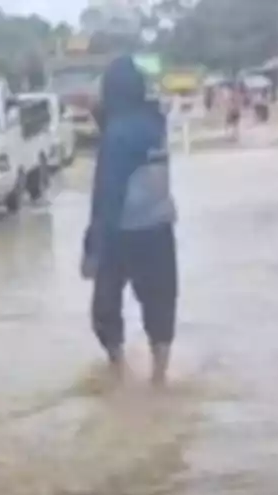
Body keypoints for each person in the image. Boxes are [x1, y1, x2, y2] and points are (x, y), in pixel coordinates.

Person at [83, 55, 178, 386]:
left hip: (121, 233)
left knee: (105, 307)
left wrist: (92, 249)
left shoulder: (117, 135)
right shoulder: (157, 123)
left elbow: (107, 194)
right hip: (160, 228)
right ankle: (160, 379)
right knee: (161, 302)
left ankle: (118, 370)